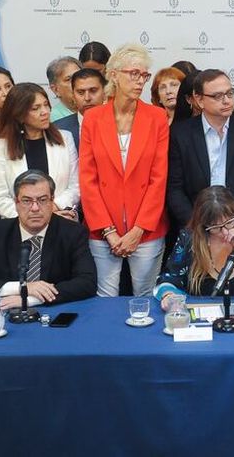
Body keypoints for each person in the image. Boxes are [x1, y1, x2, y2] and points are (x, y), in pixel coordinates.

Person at [80, 44, 169, 297]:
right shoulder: (93, 118)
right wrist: (108, 230)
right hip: (102, 229)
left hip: (146, 229)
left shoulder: (157, 117)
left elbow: (158, 179)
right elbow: (88, 179)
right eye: (133, 73)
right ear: (114, 75)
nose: (140, 81)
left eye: (144, 75)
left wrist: (138, 230)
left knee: (146, 297)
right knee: (104, 299)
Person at [0, 169, 97, 308]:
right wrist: (22, 288)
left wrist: (32, 299)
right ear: (16, 203)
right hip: (8, 312)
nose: (35, 208)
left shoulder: (72, 233)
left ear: (52, 201)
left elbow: (87, 282)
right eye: (26, 201)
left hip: (54, 311)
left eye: (42, 200)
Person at [167, 69, 234, 237]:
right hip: (197, 227)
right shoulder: (181, 134)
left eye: (230, 93)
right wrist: (194, 225)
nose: (226, 101)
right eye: (217, 96)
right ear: (199, 100)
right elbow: (175, 188)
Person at [154, 186, 234, 307]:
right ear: (204, 226)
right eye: (216, 227)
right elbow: (168, 279)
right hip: (201, 312)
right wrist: (168, 294)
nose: (225, 232)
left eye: (229, 223)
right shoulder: (189, 239)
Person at [0, 83, 79, 221]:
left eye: (46, 105)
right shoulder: (1, 147)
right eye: (36, 108)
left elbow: (75, 186)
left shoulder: (65, 138)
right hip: (19, 225)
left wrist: (52, 209)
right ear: (19, 115)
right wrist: (32, 217)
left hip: (61, 218)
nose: (45, 112)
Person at [55, 68, 107, 152]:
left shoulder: (120, 125)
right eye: (80, 92)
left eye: (93, 91)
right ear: (73, 95)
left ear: (105, 93)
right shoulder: (58, 130)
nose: (87, 98)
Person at [46, 56, 82, 123]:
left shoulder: (97, 109)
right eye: (68, 79)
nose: (77, 82)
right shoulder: (50, 119)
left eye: (79, 76)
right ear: (55, 90)